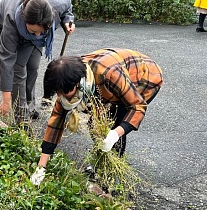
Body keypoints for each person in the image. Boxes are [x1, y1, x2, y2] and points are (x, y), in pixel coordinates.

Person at [30, 48, 163, 185]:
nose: (61, 97)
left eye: (64, 93)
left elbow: (137, 106)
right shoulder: (67, 82)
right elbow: (55, 123)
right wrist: (41, 167)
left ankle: (108, 176)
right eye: (59, 93)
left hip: (144, 76)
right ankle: (100, 164)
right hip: (112, 80)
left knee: (115, 121)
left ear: (78, 84)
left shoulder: (108, 74)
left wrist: (115, 133)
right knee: (95, 125)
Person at [0, 0, 75, 124]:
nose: (37, 35)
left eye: (41, 31)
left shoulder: (57, 4)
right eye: (33, 31)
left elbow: (68, 8)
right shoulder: (11, 21)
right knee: (18, 69)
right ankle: (22, 117)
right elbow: (7, 61)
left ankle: (30, 106)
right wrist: (6, 99)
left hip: (34, 27)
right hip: (7, 21)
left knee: (33, 66)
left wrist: (67, 20)